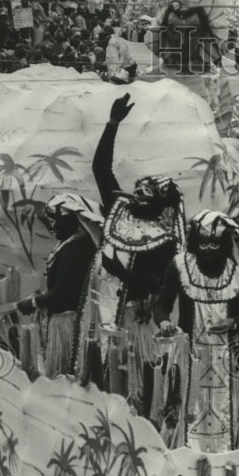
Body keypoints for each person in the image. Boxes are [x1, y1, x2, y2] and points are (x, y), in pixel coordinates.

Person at [74, 94, 187, 407]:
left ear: (159, 206)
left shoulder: (166, 240)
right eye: (137, 188)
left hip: (137, 324)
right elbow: (100, 169)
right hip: (104, 313)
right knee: (100, 388)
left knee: (134, 391)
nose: (135, 194)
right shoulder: (122, 212)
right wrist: (112, 124)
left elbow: (156, 284)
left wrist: (119, 271)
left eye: (144, 192)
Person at [153, 210, 239, 455]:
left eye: (215, 244)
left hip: (232, 360)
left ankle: (233, 463)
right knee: (190, 414)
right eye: (203, 243)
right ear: (195, 240)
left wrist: (234, 322)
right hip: (192, 359)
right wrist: (163, 322)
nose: (207, 249)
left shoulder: (238, 271)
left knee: (234, 418)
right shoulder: (180, 266)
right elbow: (161, 303)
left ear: (224, 243)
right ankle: (191, 459)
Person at [16, 194, 102, 378]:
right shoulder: (75, 242)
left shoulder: (75, 247)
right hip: (67, 319)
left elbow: (63, 293)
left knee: (63, 375)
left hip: (68, 323)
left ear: (71, 219)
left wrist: (33, 302)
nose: (51, 226)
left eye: (55, 221)